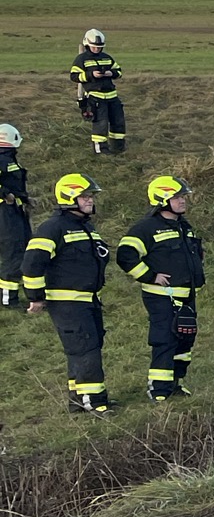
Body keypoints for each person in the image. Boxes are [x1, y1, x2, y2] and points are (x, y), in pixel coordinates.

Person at [22, 174, 112, 413]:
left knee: (82, 348)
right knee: (86, 348)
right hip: (67, 302)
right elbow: (32, 264)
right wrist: (35, 297)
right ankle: (95, 402)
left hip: (88, 299)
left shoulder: (85, 227)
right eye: (85, 196)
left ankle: (77, 399)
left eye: (90, 196)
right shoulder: (53, 228)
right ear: (69, 197)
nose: (90, 200)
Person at [119, 175, 207, 400]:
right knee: (165, 341)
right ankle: (159, 390)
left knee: (185, 341)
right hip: (162, 298)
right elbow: (125, 255)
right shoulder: (146, 228)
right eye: (177, 197)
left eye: (183, 197)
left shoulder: (183, 226)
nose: (182, 201)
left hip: (187, 296)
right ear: (162, 200)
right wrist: (149, 276)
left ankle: (176, 384)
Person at [72, 28, 126, 155]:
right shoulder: (81, 59)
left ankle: (118, 148)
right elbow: (74, 76)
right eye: (94, 47)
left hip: (112, 96)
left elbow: (118, 72)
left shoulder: (107, 58)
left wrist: (109, 73)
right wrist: (91, 75)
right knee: (100, 124)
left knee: (118, 122)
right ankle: (101, 150)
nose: (97, 49)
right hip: (95, 97)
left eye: (99, 47)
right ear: (87, 45)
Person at [0, 124, 27, 310]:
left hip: (13, 210)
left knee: (19, 249)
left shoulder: (7, 158)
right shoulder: (2, 159)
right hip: (5, 213)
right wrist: (5, 194)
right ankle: (9, 300)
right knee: (13, 252)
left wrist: (24, 198)